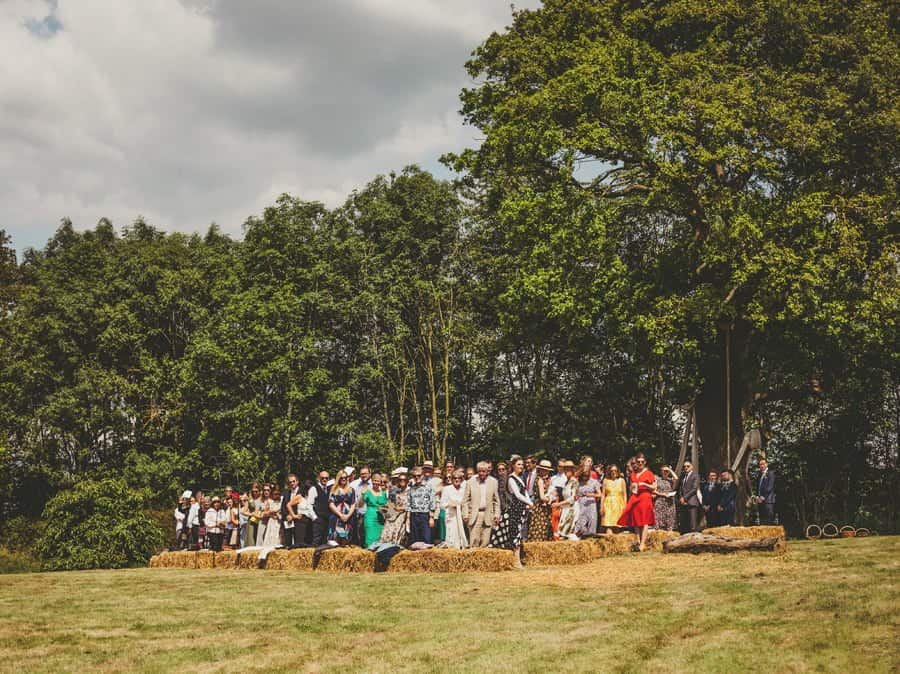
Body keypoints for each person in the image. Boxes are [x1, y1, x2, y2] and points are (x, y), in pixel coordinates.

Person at [489, 457, 532, 568]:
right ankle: (515, 561)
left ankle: (516, 561)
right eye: (519, 464)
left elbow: (525, 492)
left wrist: (529, 502)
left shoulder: (520, 478)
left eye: (522, 464)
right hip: (514, 510)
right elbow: (517, 495)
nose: (521, 466)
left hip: (521, 509)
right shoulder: (511, 478)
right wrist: (530, 503)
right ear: (513, 466)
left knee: (518, 534)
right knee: (514, 534)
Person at [617, 453, 657, 551]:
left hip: (645, 497)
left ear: (645, 462)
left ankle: (643, 544)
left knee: (644, 521)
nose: (640, 463)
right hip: (635, 497)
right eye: (638, 462)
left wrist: (644, 484)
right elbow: (631, 487)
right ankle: (638, 542)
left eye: (642, 462)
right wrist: (632, 488)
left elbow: (654, 487)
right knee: (636, 520)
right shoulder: (633, 474)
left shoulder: (649, 473)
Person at [463, 461, 501, 548]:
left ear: (488, 471)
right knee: (474, 541)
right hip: (474, 515)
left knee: (485, 541)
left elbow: (496, 501)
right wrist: (465, 514)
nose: (481, 473)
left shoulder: (494, 482)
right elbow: (465, 501)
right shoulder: (470, 482)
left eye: (483, 471)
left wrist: (497, 514)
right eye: (479, 471)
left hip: (488, 515)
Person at [408, 467, 437, 545]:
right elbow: (409, 504)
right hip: (414, 516)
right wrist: (408, 519)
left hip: (424, 516)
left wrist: (431, 518)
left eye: (419, 475)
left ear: (423, 475)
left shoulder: (429, 487)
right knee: (415, 541)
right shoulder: (411, 488)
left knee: (426, 539)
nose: (417, 477)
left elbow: (433, 502)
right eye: (414, 476)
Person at [379, 473, 410, 546]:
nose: (402, 481)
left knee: (397, 531)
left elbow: (412, 505)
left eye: (404, 480)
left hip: (405, 515)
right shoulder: (395, 492)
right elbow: (391, 504)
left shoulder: (410, 491)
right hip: (395, 514)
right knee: (388, 527)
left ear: (407, 481)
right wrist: (385, 509)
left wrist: (402, 509)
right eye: (400, 480)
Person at [527, 460, 554, 541]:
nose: (546, 472)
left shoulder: (541, 479)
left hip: (542, 507)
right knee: (540, 528)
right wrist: (551, 499)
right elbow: (542, 497)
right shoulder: (540, 480)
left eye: (547, 470)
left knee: (541, 528)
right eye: (544, 470)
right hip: (541, 508)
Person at [441, 469, 468, 549]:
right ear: (452, 479)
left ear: (462, 479)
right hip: (451, 516)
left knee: (462, 535)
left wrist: (460, 505)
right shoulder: (446, 489)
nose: (457, 480)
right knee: (452, 536)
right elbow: (442, 504)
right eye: (455, 478)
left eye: (459, 478)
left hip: (462, 515)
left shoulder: (464, 489)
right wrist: (450, 504)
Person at [328, 472, 356, 545]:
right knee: (335, 541)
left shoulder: (351, 490)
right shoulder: (333, 489)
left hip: (348, 519)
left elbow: (353, 504)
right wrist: (340, 515)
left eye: (345, 477)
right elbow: (331, 504)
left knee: (346, 541)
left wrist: (348, 515)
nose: (343, 479)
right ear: (338, 478)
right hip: (336, 517)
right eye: (341, 477)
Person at [574, 467, 603, 537]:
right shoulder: (578, 483)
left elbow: (600, 495)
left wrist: (591, 495)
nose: (585, 477)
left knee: (591, 523)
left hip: (591, 505)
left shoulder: (594, 482)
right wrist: (576, 496)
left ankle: (590, 537)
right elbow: (576, 494)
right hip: (581, 505)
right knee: (579, 524)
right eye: (583, 475)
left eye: (587, 476)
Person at [554, 460, 579, 539]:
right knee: (562, 532)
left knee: (567, 531)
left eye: (568, 469)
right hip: (565, 509)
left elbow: (572, 499)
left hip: (571, 509)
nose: (566, 471)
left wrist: (558, 504)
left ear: (572, 470)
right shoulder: (566, 482)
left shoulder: (574, 482)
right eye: (565, 469)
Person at [362, 474, 388, 547]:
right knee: (370, 539)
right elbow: (360, 505)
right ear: (372, 481)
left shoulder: (383, 493)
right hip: (370, 518)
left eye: (378, 481)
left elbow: (386, 506)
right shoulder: (367, 492)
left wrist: (384, 509)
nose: (376, 482)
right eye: (375, 480)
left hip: (380, 519)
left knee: (379, 539)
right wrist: (362, 495)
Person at [600, 464, 627, 533]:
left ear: (618, 471)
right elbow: (603, 495)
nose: (613, 472)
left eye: (615, 470)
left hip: (619, 504)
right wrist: (601, 506)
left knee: (617, 525)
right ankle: (609, 541)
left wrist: (625, 506)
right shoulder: (605, 480)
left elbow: (624, 494)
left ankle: (616, 542)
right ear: (609, 472)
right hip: (608, 504)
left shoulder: (622, 480)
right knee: (608, 525)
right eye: (612, 470)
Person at [350, 466, 372, 546]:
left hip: (370, 516)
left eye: (365, 473)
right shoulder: (358, 486)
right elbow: (355, 501)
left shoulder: (373, 485)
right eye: (362, 474)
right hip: (360, 516)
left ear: (370, 474)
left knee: (370, 537)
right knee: (360, 537)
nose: (363, 475)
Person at [653, 465, 678, 531]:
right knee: (659, 520)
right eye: (664, 471)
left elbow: (676, 478)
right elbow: (654, 491)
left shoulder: (671, 480)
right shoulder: (657, 479)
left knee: (670, 520)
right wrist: (663, 494)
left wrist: (670, 470)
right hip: (660, 501)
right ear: (661, 471)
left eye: (666, 471)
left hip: (669, 502)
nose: (665, 472)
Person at [678, 461, 701, 533]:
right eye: (684, 466)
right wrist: (681, 498)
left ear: (692, 467)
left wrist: (684, 498)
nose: (686, 468)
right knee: (684, 525)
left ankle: (694, 543)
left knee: (693, 525)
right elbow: (681, 489)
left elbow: (694, 489)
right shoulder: (683, 477)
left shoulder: (695, 475)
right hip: (683, 503)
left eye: (688, 466)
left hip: (692, 502)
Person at [310, 471, 331, 545]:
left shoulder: (329, 489)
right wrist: (314, 518)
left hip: (327, 519)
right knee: (316, 541)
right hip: (318, 519)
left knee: (325, 542)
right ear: (319, 478)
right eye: (322, 478)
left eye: (326, 478)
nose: (324, 479)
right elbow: (309, 505)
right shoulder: (314, 488)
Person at [281, 473, 302, 549]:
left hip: (299, 521)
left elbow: (304, 507)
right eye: (290, 482)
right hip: (288, 521)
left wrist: (294, 516)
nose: (292, 483)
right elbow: (283, 507)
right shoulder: (286, 493)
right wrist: (287, 515)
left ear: (297, 481)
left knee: (298, 543)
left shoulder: (302, 492)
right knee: (288, 543)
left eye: (294, 481)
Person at [756, 458, 777, 524]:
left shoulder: (771, 473)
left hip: (768, 500)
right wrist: (758, 497)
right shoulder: (760, 475)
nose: (762, 466)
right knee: (762, 520)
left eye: (763, 464)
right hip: (760, 501)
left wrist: (763, 497)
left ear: (767, 464)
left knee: (769, 520)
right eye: (760, 464)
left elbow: (770, 487)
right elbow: (758, 488)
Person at [243, 483, 263, 547]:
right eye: (253, 491)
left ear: (259, 491)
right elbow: (243, 511)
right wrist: (251, 514)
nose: (254, 493)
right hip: (252, 521)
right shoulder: (249, 499)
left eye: (256, 491)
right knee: (251, 539)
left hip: (261, 520)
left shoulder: (263, 499)